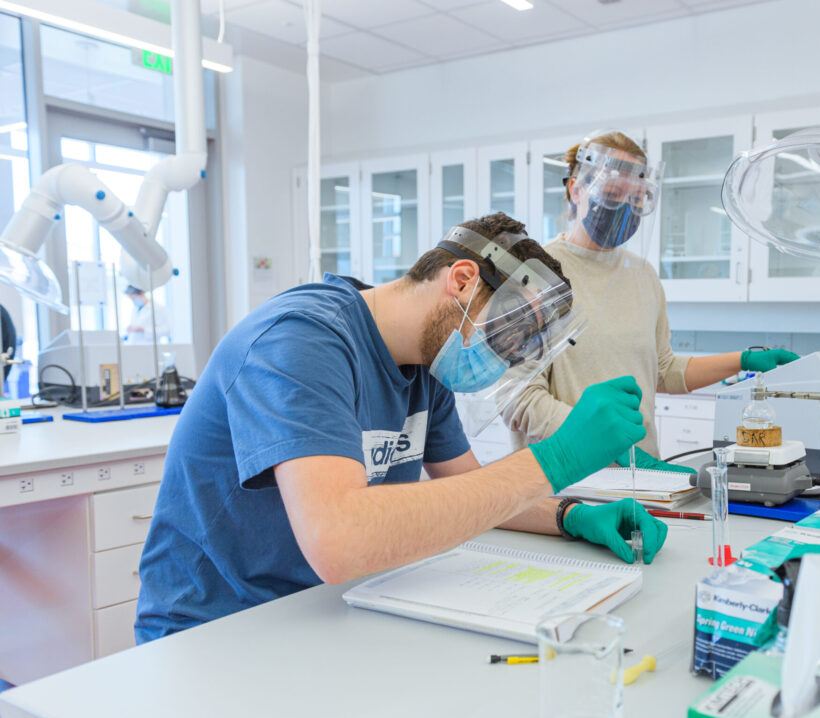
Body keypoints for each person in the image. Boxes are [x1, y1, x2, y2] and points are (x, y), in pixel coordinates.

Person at [135, 213, 668, 642]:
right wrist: (555, 461)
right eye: (507, 333)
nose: (506, 359)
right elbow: (338, 539)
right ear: (462, 280)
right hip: (216, 627)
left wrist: (571, 516)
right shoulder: (300, 341)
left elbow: (466, 486)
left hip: (320, 609)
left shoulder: (425, 368)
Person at [504, 130, 799, 472]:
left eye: (637, 199)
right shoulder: (535, 275)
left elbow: (662, 370)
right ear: (576, 189)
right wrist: (604, 441)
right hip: (564, 482)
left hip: (641, 476)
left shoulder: (642, 274)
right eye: (612, 195)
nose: (624, 210)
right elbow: (520, 400)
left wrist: (744, 359)